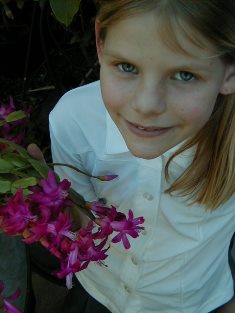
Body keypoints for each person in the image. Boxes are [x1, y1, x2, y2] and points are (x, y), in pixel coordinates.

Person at [35, 0, 235, 312]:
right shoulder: (73, 119)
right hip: (99, 289)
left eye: (184, 75)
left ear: (229, 72)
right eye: (127, 67)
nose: (146, 105)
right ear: (101, 43)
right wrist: (46, 209)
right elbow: (85, 217)